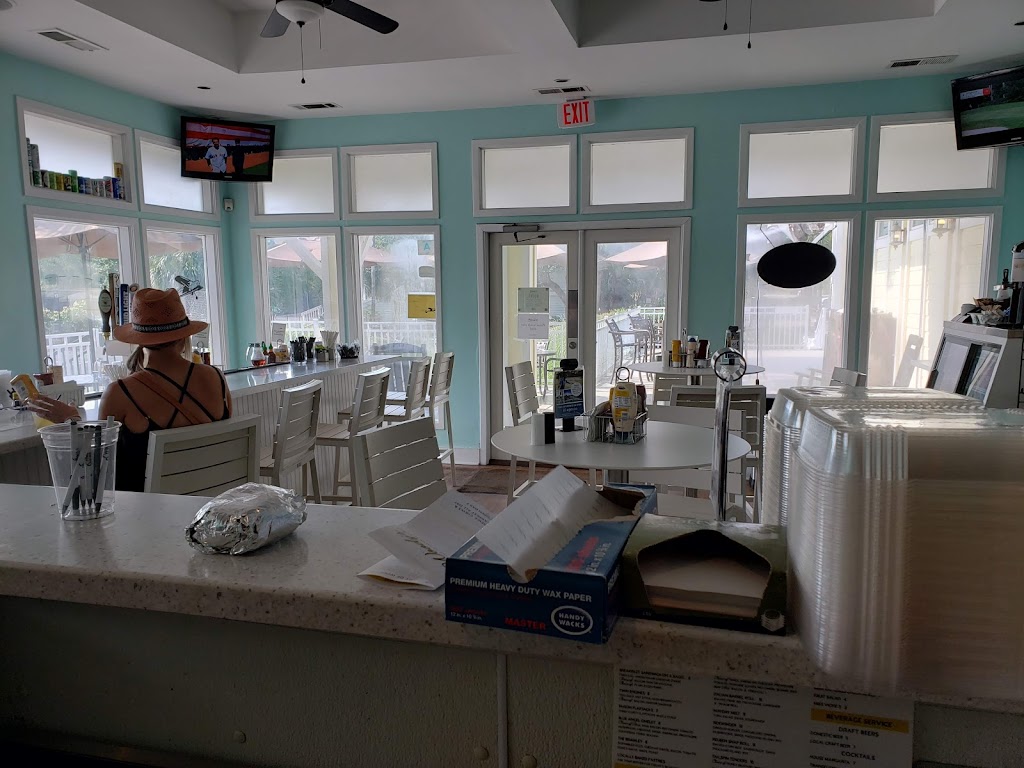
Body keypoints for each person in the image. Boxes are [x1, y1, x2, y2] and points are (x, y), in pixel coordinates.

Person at [29, 289, 232, 492]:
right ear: (183, 336)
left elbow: (99, 473)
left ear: (138, 339)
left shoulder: (120, 393)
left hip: (148, 516)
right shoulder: (216, 379)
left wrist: (71, 421)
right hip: (213, 511)